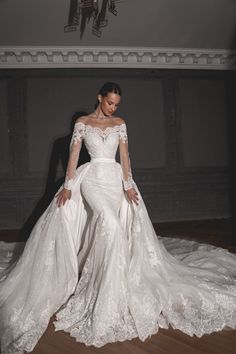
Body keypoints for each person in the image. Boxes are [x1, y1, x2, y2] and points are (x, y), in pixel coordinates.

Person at [0, 82, 236, 354]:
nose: (113, 107)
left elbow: (124, 157)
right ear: (99, 97)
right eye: (109, 102)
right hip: (91, 179)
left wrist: (128, 185)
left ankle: (115, 286)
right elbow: (73, 156)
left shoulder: (120, 123)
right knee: (109, 224)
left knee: (112, 226)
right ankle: (102, 293)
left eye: (116, 104)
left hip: (114, 179)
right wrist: (67, 186)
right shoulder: (82, 122)